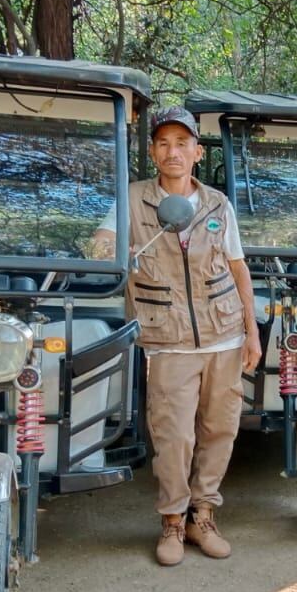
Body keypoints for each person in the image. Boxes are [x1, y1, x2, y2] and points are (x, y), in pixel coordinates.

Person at [92, 106, 261, 566]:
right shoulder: (131, 200)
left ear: (197, 153)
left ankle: (202, 514)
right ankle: (171, 519)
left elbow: (238, 267)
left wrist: (252, 331)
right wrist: (113, 250)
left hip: (223, 335)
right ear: (152, 151)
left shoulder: (217, 204)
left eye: (182, 143)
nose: (173, 152)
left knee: (221, 429)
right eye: (163, 143)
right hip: (167, 339)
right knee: (173, 436)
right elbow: (99, 242)